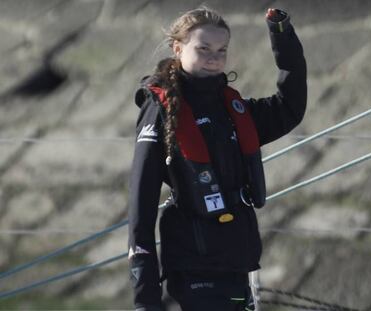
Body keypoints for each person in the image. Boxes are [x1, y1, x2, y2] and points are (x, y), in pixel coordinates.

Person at [127, 6, 307, 311]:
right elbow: (140, 210)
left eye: (222, 50)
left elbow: (290, 106)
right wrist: (146, 301)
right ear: (178, 48)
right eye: (204, 48)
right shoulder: (160, 111)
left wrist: (282, 36)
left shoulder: (233, 110)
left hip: (236, 267)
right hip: (193, 271)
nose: (214, 57)